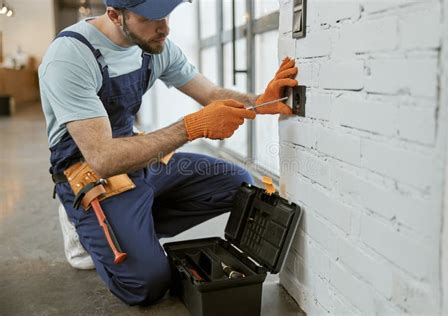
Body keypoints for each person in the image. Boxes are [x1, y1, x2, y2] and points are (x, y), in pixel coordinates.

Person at [39, 0, 298, 306]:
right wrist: (191, 128)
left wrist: (259, 100)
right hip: (90, 171)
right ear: (114, 15)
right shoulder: (70, 56)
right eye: (150, 17)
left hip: (138, 157)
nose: (164, 27)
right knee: (146, 285)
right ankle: (84, 226)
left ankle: (132, 227)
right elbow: (103, 157)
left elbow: (211, 95)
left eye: (166, 14)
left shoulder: (154, 44)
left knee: (237, 184)